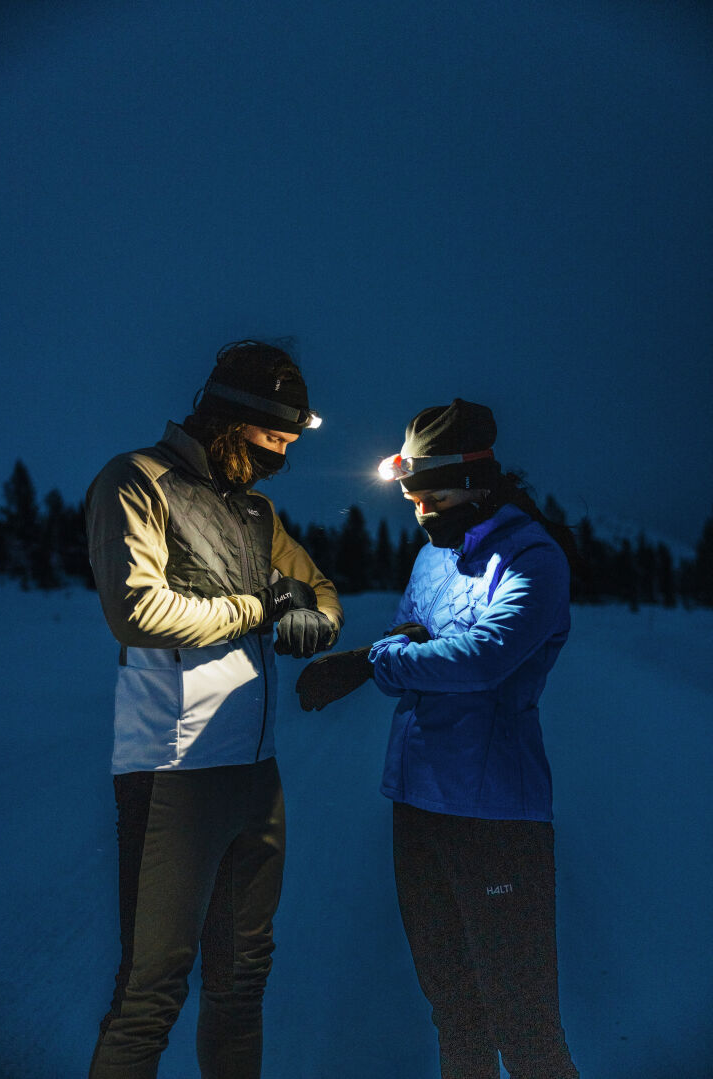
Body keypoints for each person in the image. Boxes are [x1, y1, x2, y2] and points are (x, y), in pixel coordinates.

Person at [297, 398, 579, 1079]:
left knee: (524, 1019)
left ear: (480, 484)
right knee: (453, 1007)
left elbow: (483, 659)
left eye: (436, 495)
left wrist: (372, 660)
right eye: (412, 498)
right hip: (416, 803)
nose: (423, 511)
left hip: (494, 815)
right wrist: (393, 655)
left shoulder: (533, 559)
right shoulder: (432, 557)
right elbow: (408, 650)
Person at [85, 339, 343, 1079]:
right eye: (273, 440)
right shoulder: (136, 481)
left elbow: (319, 587)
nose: (281, 457)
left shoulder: (256, 511)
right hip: (175, 774)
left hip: (256, 777)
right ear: (231, 421)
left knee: (242, 979)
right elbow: (136, 609)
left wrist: (315, 620)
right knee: (152, 991)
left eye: (291, 443)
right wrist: (258, 606)